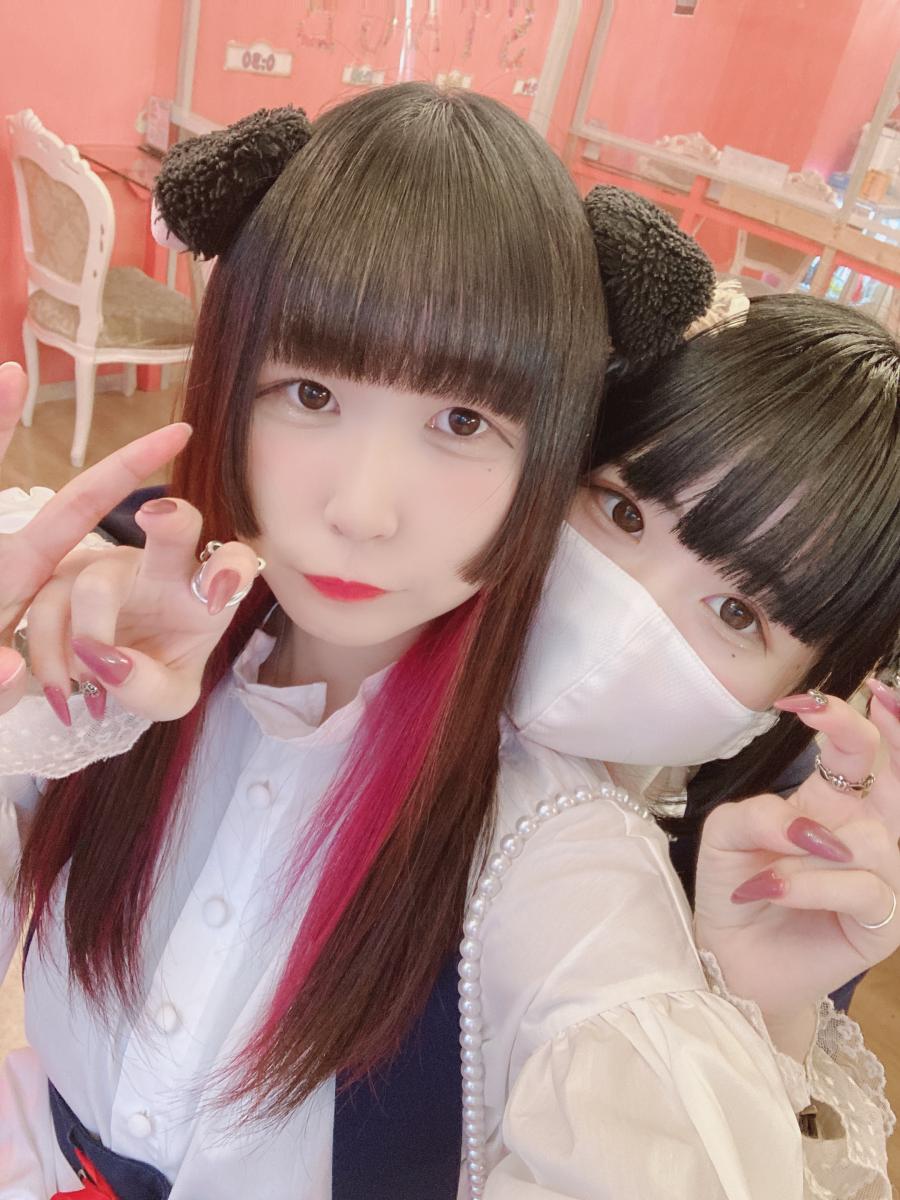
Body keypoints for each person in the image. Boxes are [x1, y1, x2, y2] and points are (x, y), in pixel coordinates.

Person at [0, 97, 896, 1199]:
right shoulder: (125, 628)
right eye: (311, 393)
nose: (363, 511)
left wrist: (762, 1023)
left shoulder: (557, 848)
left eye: (463, 424)